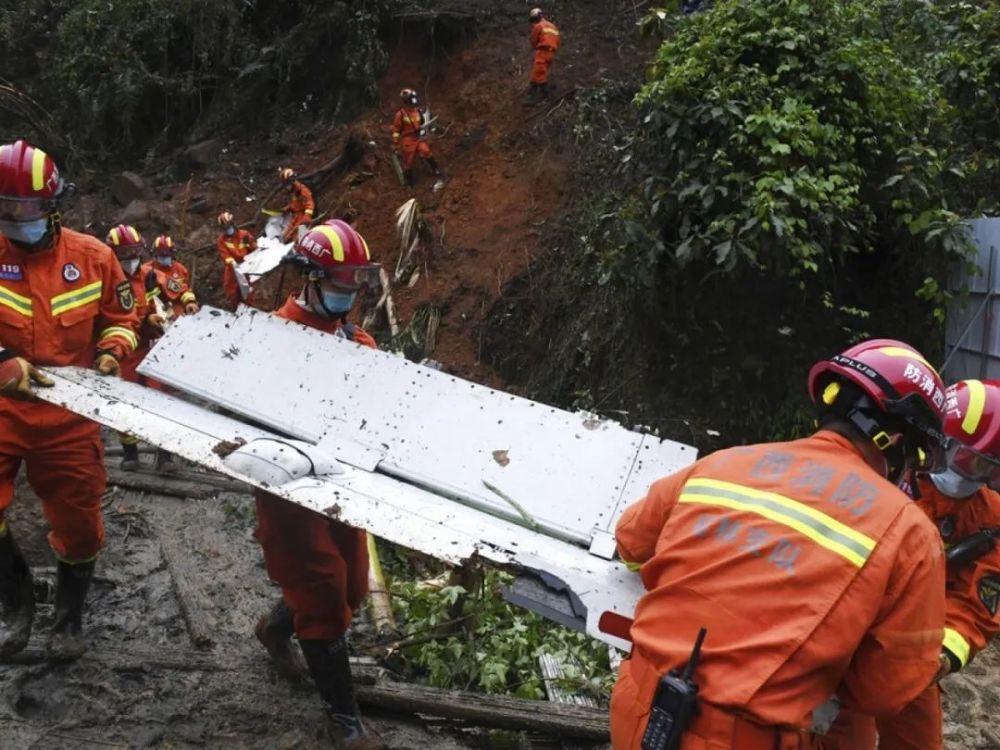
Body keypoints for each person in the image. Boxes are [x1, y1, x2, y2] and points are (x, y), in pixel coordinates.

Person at [611, 339, 949, 750]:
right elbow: (882, 692)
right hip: (740, 737)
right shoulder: (909, 531)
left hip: (636, 706)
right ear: (896, 443)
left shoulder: (725, 461)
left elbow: (630, 541)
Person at [0, 140, 140, 661]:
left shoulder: (94, 257)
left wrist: (110, 353)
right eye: (4, 209)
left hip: (69, 411)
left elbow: (122, 320)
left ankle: (68, 621)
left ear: (54, 205)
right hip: (3, 404)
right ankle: (14, 607)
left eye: (27, 208)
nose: (16, 219)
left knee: (80, 527)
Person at [253, 219, 382, 749]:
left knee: (352, 585)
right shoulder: (265, 339)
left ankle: (277, 627)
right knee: (325, 592)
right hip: (288, 489)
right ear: (307, 278)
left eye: (354, 286)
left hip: (340, 484)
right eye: (338, 285)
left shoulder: (359, 341)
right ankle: (342, 721)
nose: (346, 297)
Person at [818, 378, 1000, 750]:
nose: (955, 466)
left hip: (911, 645)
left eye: (975, 463)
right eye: (949, 448)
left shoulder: (990, 520)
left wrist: (941, 657)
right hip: (839, 635)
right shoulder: (880, 469)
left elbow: (977, 604)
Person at [104, 224, 176, 474]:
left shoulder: (148, 276)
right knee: (123, 402)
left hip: (149, 347)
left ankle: (164, 455)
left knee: (161, 399)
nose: (131, 260)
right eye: (125, 256)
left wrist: (164, 315)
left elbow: (166, 298)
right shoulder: (104, 279)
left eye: (135, 254)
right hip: (122, 352)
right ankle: (130, 453)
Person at [391, 89, 443, 188]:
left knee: (426, 151)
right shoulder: (401, 114)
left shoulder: (417, 111)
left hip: (417, 137)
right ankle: (409, 183)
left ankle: (435, 169)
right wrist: (395, 142)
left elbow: (421, 123)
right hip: (407, 140)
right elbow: (396, 130)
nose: (414, 101)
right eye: (411, 99)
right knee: (409, 162)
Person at [142, 234, 199, 318]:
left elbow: (183, 289)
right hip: (154, 309)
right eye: (162, 255)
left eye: (167, 255)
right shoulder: (146, 270)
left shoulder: (180, 269)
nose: (165, 257)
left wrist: (190, 302)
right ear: (155, 255)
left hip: (177, 307)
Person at [216, 211, 257, 308]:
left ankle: (249, 309)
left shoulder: (244, 235)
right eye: (224, 228)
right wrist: (234, 264)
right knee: (231, 292)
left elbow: (254, 249)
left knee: (248, 292)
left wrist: (251, 244)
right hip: (232, 270)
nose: (227, 229)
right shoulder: (221, 240)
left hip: (247, 267)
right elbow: (225, 256)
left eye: (228, 226)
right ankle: (236, 309)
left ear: (232, 223)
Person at [528, 8, 561, 101]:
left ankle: (544, 97)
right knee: (538, 72)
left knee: (540, 73)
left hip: (543, 51)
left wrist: (536, 47)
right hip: (551, 53)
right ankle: (532, 94)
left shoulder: (539, 26)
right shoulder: (553, 27)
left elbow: (533, 40)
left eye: (534, 19)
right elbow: (558, 41)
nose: (533, 22)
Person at [277, 167, 315, 243]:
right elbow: (295, 203)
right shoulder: (294, 191)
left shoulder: (303, 191)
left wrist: (307, 216)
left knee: (295, 238)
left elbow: (309, 204)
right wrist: (288, 208)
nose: (286, 187)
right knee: (285, 235)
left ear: (292, 181)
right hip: (296, 216)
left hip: (303, 216)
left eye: (287, 184)